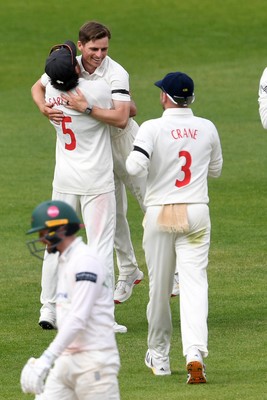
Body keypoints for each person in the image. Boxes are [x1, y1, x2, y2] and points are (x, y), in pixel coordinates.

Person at [31, 21, 145, 307]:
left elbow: (125, 116)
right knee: (113, 219)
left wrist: (88, 108)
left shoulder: (116, 73)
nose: (100, 54)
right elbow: (37, 86)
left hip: (122, 142)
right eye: (94, 49)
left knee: (150, 201)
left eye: (105, 48)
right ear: (81, 47)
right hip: (95, 155)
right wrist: (42, 107)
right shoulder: (66, 67)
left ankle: (174, 272)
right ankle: (128, 272)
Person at [126, 72, 223, 383]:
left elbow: (133, 167)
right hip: (196, 212)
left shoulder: (152, 128)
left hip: (161, 213)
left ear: (164, 97)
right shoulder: (207, 127)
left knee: (160, 289)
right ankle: (195, 354)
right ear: (190, 99)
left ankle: (160, 356)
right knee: (195, 285)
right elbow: (216, 170)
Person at [37, 40, 126, 333]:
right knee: (100, 247)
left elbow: (37, 86)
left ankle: (48, 309)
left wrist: (42, 108)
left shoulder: (50, 91)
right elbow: (127, 113)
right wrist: (89, 109)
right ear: (75, 69)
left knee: (54, 244)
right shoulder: (97, 92)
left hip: (64, 178)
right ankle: (101, 316)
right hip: (97, 182)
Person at [21, 200, 120, 399]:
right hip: (67, 359)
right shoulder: (66, 261)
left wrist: (46, 358)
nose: (41, 240)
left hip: (94, 362)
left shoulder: (85, 262)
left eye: (43, 233)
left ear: (61, 229)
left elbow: (78, 318)